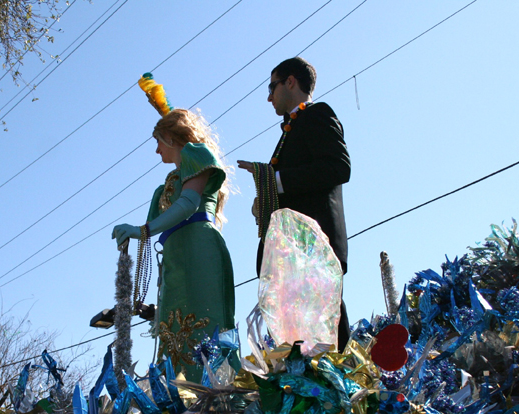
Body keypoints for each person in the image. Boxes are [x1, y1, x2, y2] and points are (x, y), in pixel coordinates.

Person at [112, 108, 235, 381]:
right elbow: (158, 225)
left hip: (199, 250)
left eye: (157, 141)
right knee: (173, 329)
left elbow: (188, 204)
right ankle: (179, 393)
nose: (157, 151)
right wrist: (137, 233)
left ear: (169, 137)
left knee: (205, 323)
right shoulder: (165, 186)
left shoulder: (197, 153)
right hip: (175, 260)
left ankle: (215, 393)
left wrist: (140, 230)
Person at [238, 57, 351, 348]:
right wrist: (265, 200)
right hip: (291, 250)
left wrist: (272, 181)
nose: (269, 97)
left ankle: (337, 385)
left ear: (290, 81)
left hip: (315, 245)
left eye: (271, 87)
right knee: (296, 339)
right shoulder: (291, 129)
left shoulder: (317, 114)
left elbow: (338, 168)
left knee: (325, 329)